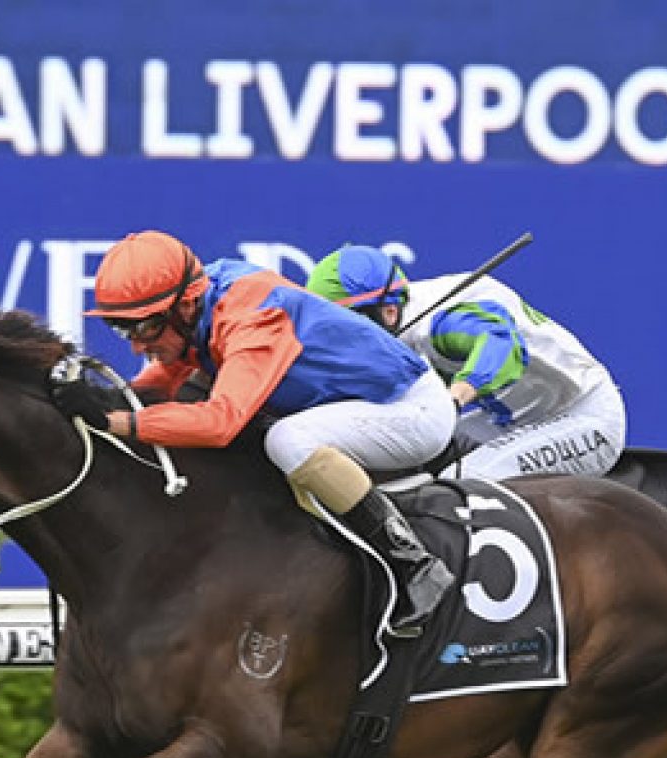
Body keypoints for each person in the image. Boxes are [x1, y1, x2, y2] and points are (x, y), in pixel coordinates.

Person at [83, 230, 457, 636]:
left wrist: (117, 422)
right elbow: (162, 381)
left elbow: (219, 424)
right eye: (124, 331)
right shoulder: (201, 304)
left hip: (409, 411)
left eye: (146, 328)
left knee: (286, 440)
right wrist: (101, 403)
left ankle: (412, 564)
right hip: (354, 407)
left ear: (186, 306)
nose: (137, 346)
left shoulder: (252, 316)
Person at [305, 245, 627, 483]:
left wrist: (456, 396)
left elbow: (501, 344)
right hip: (510, 421)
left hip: (582, 417)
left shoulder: (439, 325)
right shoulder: (391, 316)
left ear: (388, 311)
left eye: (347, 324)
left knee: (465, 480)